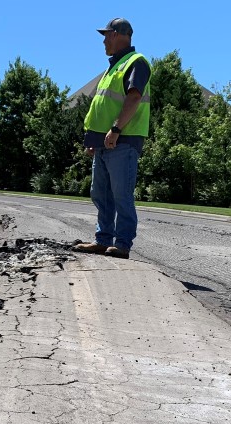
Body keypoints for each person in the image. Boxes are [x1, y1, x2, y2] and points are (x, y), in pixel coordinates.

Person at [72, 18, 152, 260]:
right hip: (104, 143)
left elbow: (134, 97)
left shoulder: (136, 62)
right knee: (101, 193)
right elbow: (102, 105)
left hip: (123, 140)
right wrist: (93, 139)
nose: (104, 41)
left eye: (107, 35)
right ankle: (102, 239)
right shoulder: (112, 67)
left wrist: (116, 129)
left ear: (119, 35)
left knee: (121, 195)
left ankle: (123, 244)